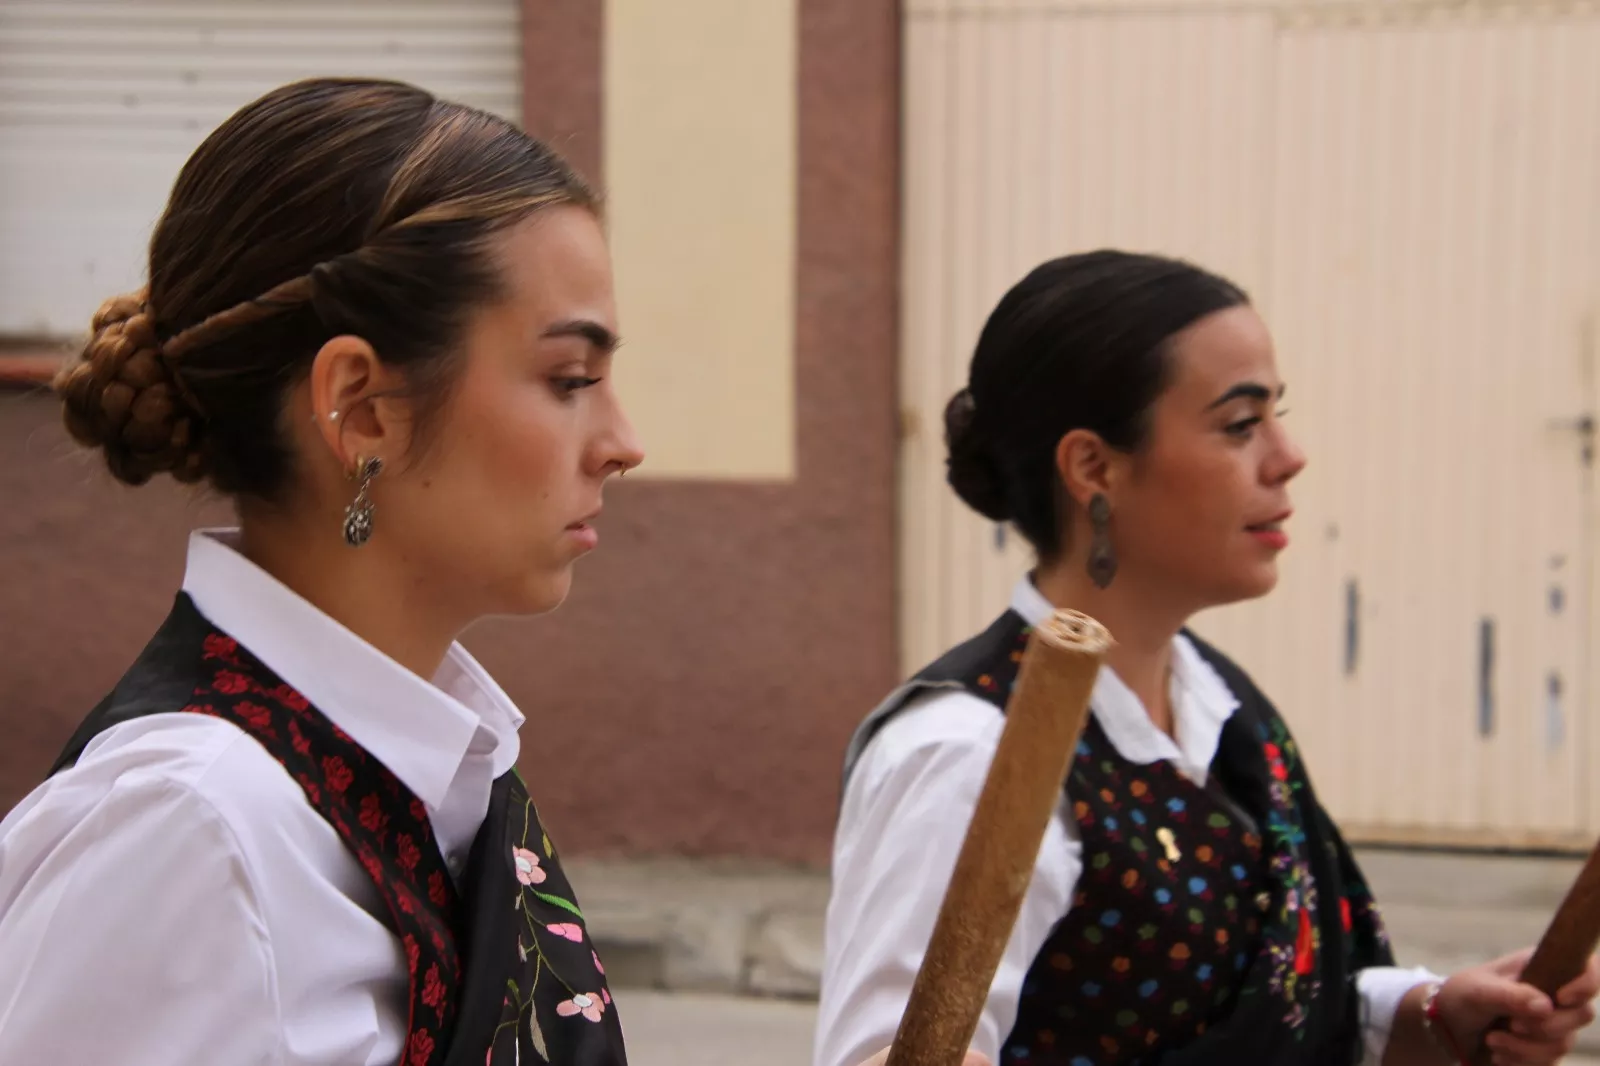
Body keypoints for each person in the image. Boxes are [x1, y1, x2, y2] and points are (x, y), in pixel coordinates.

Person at [0, 78, 985, 1066]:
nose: (622, 442)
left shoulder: (422, 772)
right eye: (568, 379)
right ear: (362, 407)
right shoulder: (188, 828)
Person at [814, 251, 1600, 1066]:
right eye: (1239, 425)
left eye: (1276, 416)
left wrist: (1424, 1014)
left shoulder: (1220, 703)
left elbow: (1264, 993)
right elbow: (890, 1056)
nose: (1287, 456)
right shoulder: (968, 756)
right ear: (1094, 468)